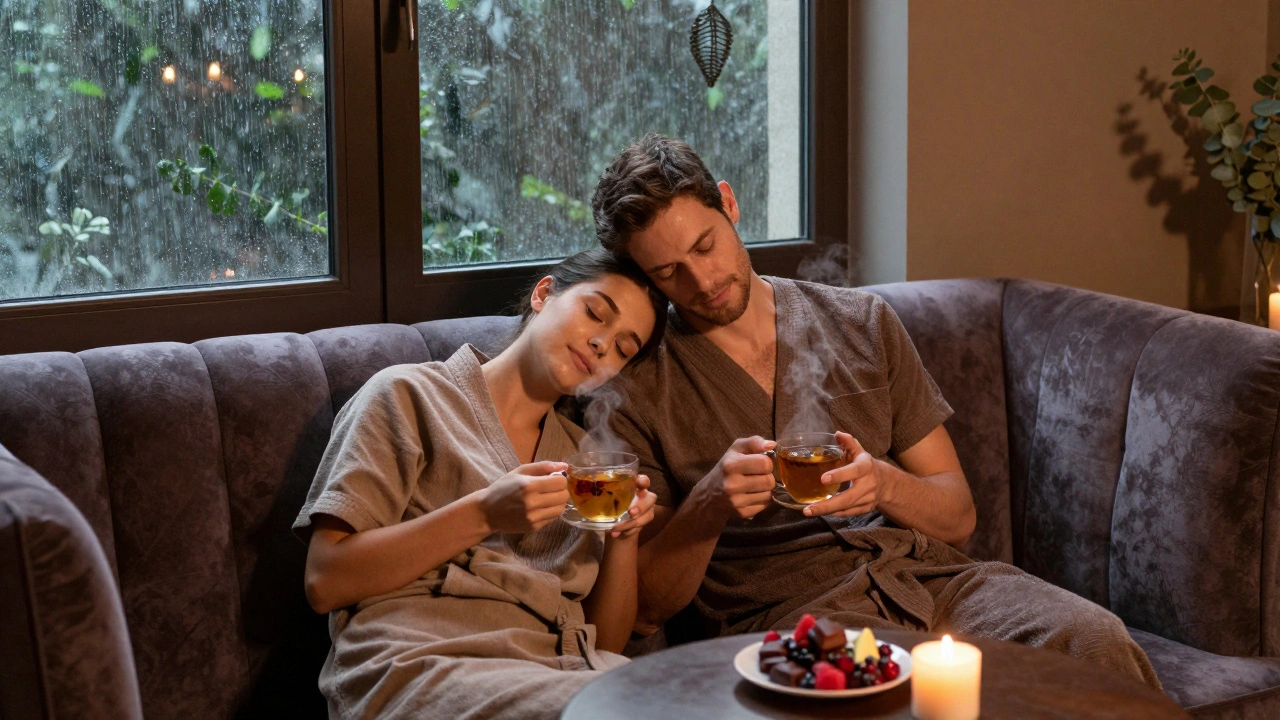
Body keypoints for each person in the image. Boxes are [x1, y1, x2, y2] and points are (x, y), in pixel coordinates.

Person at [590, 134, 1161, 688]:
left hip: (931, 581)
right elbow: (648, 609)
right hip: (795, 618)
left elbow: (958, 517)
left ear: (730, 203)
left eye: (705, 246)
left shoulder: (862, 321)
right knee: (880, 697)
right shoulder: (639, 386)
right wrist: (710, 504)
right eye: (667, 273)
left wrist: (883, 485)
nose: (701, 280)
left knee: (1094, 641)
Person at [293, 248, 666, 720]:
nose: (601, 346)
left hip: (557, 670)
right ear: (544, 294)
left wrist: (624, 538)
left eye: (623, 349)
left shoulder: (586, 463)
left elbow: (606, 644)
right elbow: (325, 581)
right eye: (594, 313)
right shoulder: (407, 396)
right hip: (422, 662)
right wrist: (484, 513)